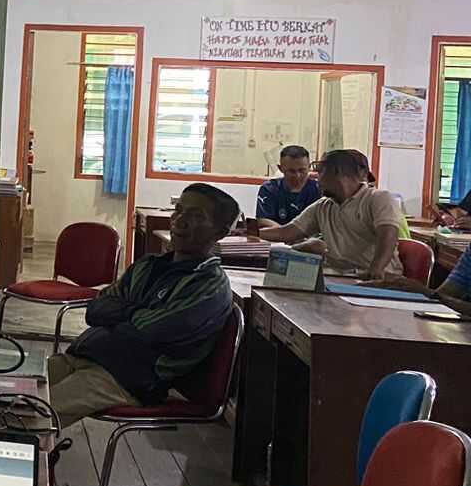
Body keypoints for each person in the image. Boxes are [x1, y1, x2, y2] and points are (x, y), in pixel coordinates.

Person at [48, 184, 238, 427]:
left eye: (196, 216)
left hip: (126, 378)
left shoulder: (209, 286)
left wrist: (121, 313)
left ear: (220, 232)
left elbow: (153, 329)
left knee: (30, 415)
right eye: (179, 210)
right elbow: (96, 310)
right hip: (83, 355)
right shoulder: (147, 266)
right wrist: (136, 314)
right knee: (9, 394)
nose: (180, 221)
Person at [257, 148, 404, 279]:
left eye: (321, 173)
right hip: (340, 276)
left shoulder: (378, 198)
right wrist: (251, 233)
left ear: (337, 173)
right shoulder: (324, 206)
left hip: (376, 280)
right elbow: (287, 232)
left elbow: (388, 234)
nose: (317, 179)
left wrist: (376, 269)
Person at [255, 144, 322, 226]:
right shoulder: (269, 188)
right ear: (280, 168)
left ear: (309, 167)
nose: (297, 175)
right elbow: (262, 220)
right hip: (277, 233)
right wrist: (286, 232)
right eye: (291, 171)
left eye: (302, 170)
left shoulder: (319, 189)